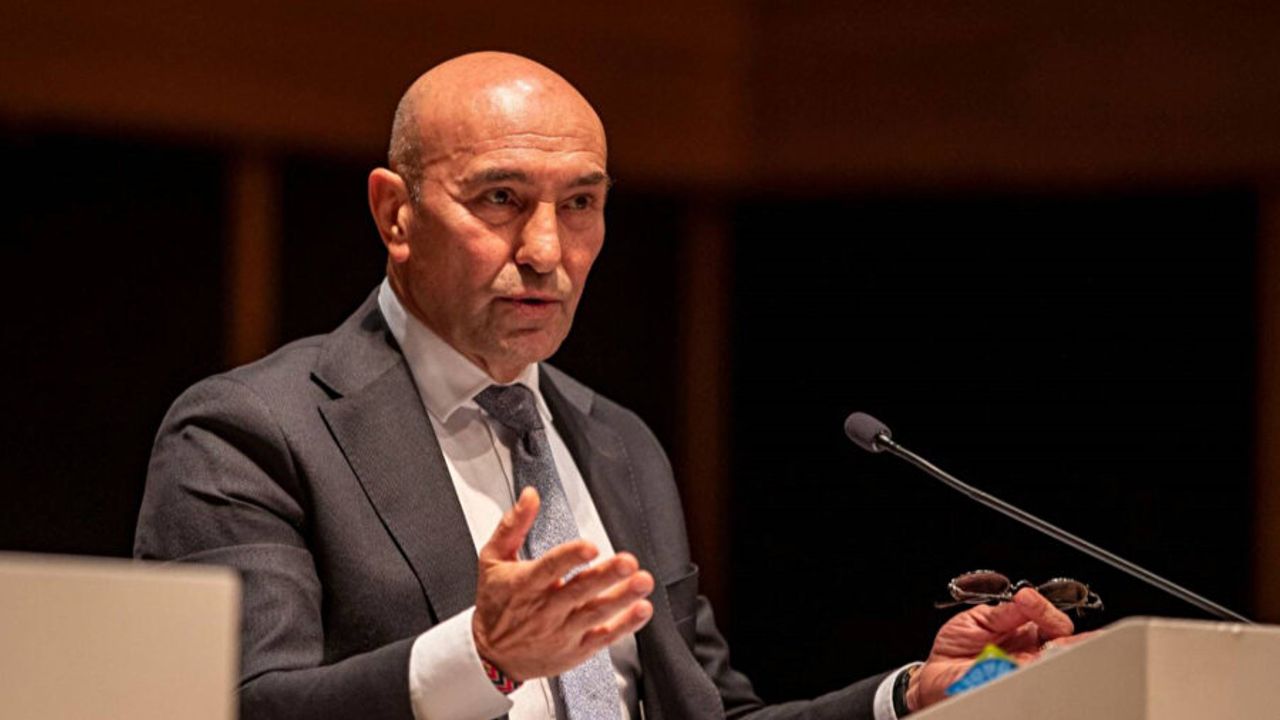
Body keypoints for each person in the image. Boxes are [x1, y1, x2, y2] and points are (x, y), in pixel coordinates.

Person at [135, 51, 1080, 720]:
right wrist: (483, 658)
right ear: (396, 214)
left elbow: (709, 712)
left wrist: (911, 695)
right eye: (501, 199)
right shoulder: (251, 433)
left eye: (580, 204)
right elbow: (231, 708)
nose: (547, 251)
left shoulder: (617, 441)